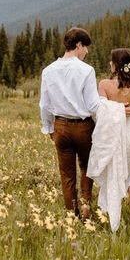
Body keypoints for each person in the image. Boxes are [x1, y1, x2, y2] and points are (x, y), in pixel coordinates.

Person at [87, 47, 130, 231]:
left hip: (113, 137)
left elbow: (98, 112)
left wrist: (115, 109)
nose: (110, 64)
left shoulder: (104, 85)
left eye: (111, 61)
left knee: (112, 172)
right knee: (129, 164)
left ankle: (107, 213)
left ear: (116, 65)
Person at [39, 26, 99, 219]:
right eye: (86, 47)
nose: (87, 52)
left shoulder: (48, 71)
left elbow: (44, 104)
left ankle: (71, 215)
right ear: (78, 45)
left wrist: (49, 128)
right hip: (83, 127)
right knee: (87, 167)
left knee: (67, 174)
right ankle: (86, 205)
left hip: (61, 127)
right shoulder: (87, 70)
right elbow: (92, 105)